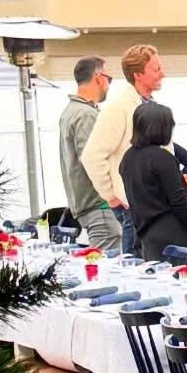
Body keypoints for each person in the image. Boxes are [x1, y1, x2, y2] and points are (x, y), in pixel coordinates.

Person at [82, 43, 187, 254]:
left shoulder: (146, 104)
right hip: (135, 207)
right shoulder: (119, 106)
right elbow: (92, 155)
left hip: (158, 207)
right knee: (139, 269)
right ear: (138, 74)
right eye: (156, 69)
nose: (162, 74)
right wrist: (112, 196)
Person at [118, 101, 187, 263]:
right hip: (172, 231)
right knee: (181, 280)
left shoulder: (128, 158)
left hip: (145, 232)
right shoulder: (162, 158)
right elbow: (178, 199)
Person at [58, 56, 121, 251]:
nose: (109, 85)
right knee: (106, 267)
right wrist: (112, 195)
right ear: (99, 77)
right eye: (109, 79)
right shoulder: (86, 114)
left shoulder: (70, 112)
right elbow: (93, 159)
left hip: (87, 204)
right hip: (99, 205)